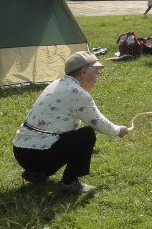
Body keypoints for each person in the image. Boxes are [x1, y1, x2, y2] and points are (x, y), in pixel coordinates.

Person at [11, 51, 130, 194]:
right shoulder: (77, 93)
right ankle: (70, 182)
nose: (97, 79)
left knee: (78, 138)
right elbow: (98, 122)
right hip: (37, 155)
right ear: (84, 72)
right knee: (87, 135)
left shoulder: (57, 84)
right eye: (96, 73)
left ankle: (35, 173)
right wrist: (118, 130)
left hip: (21, 151)